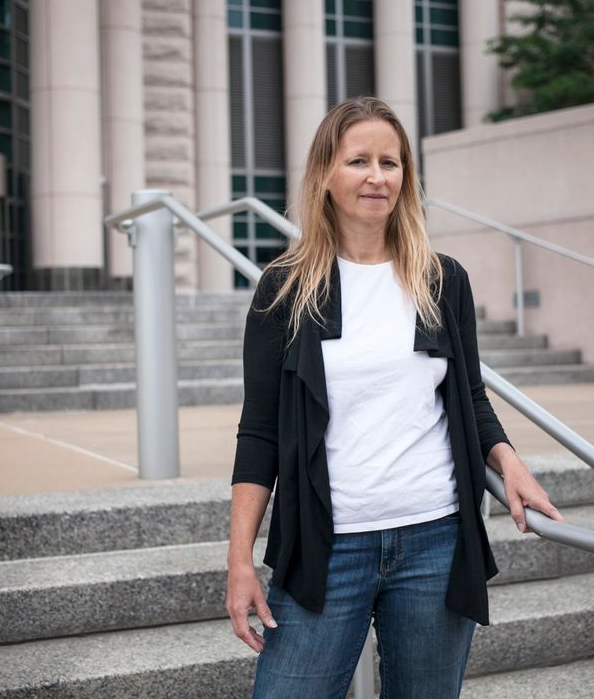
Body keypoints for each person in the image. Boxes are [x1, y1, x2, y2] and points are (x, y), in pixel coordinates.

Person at [226, 96, 563, 699]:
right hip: (326, 548)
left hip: (435, 540)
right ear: (325, 175)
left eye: (391, 162)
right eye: (359, 161)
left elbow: (469, 397)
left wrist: (508, 462)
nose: (377, 177)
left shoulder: (440, 279)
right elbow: (260, 433)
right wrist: (240, 560)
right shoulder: (284, 289)